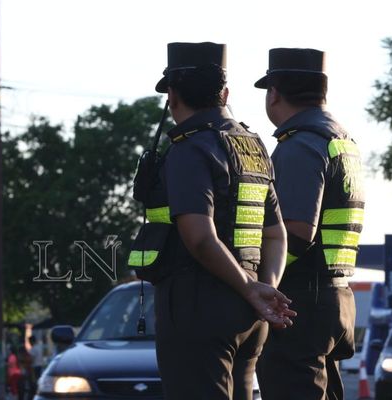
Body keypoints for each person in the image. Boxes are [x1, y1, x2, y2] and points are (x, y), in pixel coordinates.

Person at [130, 42, 296, 400]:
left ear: (171, 96)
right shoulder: (253, 146)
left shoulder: (190, 149)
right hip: (249, 313)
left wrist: (251, 290)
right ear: (225, 93)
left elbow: (200, 237)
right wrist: (261, 288)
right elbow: (276, 234)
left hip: (197, 307)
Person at [253, 48, 365, 400]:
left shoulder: (300, 144)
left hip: (299, 304)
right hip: (336, 297)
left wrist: (255, 281)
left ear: (274, 94)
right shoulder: (342, 142)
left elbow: (297, 233)